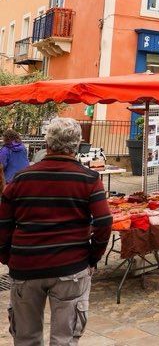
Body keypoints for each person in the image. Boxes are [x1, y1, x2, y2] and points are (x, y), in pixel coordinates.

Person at [0, 117, 112, 345]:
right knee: (64, 339)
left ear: (47, 143)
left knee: (26, 339)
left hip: (26, 266)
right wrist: (92, 257)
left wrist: (7, 257)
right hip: (71, 267)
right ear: (77, 144)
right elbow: (104, 221)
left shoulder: (20, 178)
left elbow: (3, 223)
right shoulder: (89, 179)